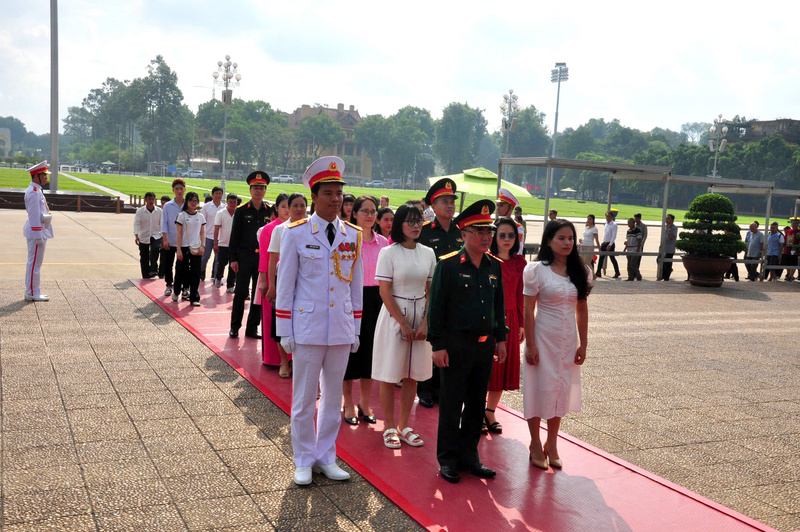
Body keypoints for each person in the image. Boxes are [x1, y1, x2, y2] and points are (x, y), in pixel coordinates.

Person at [275, 156, 362, 486]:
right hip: (308, 328)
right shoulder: (295, 233)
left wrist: (354, 328)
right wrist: (284, 330)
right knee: (303, 400)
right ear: (314, 196)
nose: (336, 199)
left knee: (332, 400)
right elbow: (286, 286)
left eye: (339, 193)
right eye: (328, 193)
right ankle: (303, 459)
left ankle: (326, 456)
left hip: (339, 328)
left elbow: (355, 287)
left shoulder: (351, 234)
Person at [428, 199, 507, 484]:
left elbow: (498, 306)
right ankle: (448, 459)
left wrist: (501, 338)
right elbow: (436, 308)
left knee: (476, 403)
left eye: (489, 231)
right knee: (451, 404)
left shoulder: (493, 267)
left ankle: (469, 456)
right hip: (456, 345)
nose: (486, 237)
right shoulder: (448, 266)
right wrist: (437, 345)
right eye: (479, 231)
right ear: (464, 234)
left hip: (484, 346)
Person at [523, 219, 592, 471]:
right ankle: (534, 442)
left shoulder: (580, 270)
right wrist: (530, 344)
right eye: (561, 238)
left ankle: (552, 444)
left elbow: (581, 310)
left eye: (571, 238)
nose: (567, 243)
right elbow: (528, 309)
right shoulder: (536, 270)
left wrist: (583, 343)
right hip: (542, 337)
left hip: (567, 341)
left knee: (560, 389)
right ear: (549, 241)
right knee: (537, 388)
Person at [372, 204, 435, 449]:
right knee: (390, 373)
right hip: (393, 316)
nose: (416, 225)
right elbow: (385, 291)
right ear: (399, 225)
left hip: (420, 314)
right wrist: (402, 323)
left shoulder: (428, 253)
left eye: (418, 220)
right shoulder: (388, 253)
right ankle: (388, 426)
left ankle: (404, 425)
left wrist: (425, 323)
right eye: (410, 221)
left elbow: (431, 291)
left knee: (413, 375)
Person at [342, 195, 388, 426]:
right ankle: (348, 401)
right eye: (365, 211)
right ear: (354, 213)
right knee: (350, 352)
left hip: (376, 300)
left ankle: (365, 402)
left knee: (371, 352)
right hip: (351, 298)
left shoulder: (384, 243)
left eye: (373, 211)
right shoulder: (346, 240)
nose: (370, 215)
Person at [417, 178, 463, 409]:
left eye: (452, 201)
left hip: (456, 297)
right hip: (430, 295)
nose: (450, 206)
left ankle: (443, 389)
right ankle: (425, 389)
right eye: (444, 201)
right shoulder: (424, 233)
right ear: (432, 207)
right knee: (430, 343)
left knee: (451, 344)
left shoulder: (461, 232)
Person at [483, 217, 526, 435]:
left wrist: (522, 323)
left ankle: (490, 411)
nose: (507, 239)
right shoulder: (485, 259)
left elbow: (521, 295)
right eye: (502, 235)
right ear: (494, 237)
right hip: (488, 319)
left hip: (511, 319)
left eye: (511, 235)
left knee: (502, 367)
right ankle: (475, 410)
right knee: (485, 367)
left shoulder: (520, 263)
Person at [263, 192, 308, 375]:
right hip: (283, 283)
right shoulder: (280, 230)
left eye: (302, 205)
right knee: (281, 323)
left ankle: (299, 363)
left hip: (305, 286)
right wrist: (272, 285)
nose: (299, 209)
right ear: (287, 209)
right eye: (295, 205)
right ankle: (284, 362)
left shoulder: (312, 229)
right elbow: (272, 259)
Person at [228, 171, 271, 339]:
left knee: (258, 295)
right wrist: (233, 259)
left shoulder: (270, 210)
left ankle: (252, 327)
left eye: (262, 188)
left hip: (262, 259)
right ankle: (234, 326)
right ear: (250, 190)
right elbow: (234, 237)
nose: (258, 191)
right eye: (255, 188)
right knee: (240, 292)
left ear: (265, 190)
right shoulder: (241, 211)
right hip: (244, 258)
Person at [257, 193, 290, 369]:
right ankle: (273, 358)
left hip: (292, 280)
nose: (286, 210)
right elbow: (265, 257)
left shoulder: (299, 226)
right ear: (276, 208)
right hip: (273, 279)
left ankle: (290, 359)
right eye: (283, 206)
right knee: (273, 321)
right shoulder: (269, 229)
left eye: (288, 206)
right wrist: (264, 282)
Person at [23, 162, 53, 301]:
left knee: (35, 263)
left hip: (39, 230)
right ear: (37, 176)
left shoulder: (36, 190)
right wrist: (38, 235)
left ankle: (34, 290)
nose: (46, 178)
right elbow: (34, 216)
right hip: (37, 232)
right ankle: (32, 292)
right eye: (44, 175)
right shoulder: (34, 193)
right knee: (34, 263)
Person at [173, 191, 206, 306]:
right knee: (181, 271)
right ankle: (176, 291)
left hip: (196, 248)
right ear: (186, 201)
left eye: (196, 201)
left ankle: (194, 297)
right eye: (191, 200)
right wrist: (178, 250)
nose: (193, 203)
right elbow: (178, 234)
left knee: (196, 273)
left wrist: (203, 245)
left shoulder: (200, 216)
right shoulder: (181, 215)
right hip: (184, 247)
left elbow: (202, 233)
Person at [161, 179, 186, 298]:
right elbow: (164, 223)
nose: (179, 191)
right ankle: (169, 285)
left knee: (182, 265)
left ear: (185, 189)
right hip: (171, 239)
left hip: (185, 241)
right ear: (173, 190)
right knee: (168, 264)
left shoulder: (188, 205)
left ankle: (181, 286)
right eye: (177, 189)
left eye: (181, 188)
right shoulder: (168, 206)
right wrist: (165, 238)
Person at [134, 192, 162, 279]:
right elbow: (137, 223)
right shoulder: (140, 211)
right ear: (145, 199)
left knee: (155, 249)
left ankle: (154, 268)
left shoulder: (160, 211)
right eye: (149, 199)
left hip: (156, 235)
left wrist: (163, 236)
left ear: (155, 200)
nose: (151, 201)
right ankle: (145, 275)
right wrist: (136, 234)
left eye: (152, 199)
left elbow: (162, 224)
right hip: (144, 236)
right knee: (144, 256)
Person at [213, 193, 238, 291]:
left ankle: (230, 284)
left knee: (234, 264)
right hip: (223, 243)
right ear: (227, 202)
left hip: (235, 245)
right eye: (230, 202)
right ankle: (218, 277)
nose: (232, 204)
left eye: (234, 202)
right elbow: (216, 229)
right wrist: (216, 243)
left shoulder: (238, 213)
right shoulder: (221, 213)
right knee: (222, 263)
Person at [200, 186, 224, 282]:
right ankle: (201, 271)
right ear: (213, 194)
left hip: (220, 237)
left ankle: (215, 276)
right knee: (205, 256)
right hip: (208, 236)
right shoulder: (206, 207)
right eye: (216, 193)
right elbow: (202, 222)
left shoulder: (224, 208)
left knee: (218, 259)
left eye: (220, 193)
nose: (218, 195)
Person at [495, 188, 525, 256]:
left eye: (501, 205)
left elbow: (518, 252)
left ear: (510, 208)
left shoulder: (518, 228)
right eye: (497, 205)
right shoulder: (495, 224)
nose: (498, 208)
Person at [596, 211, 620, 279]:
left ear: (612, 217)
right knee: (601, 257)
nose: (608, 218)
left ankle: (617, 272)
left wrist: (610, 245)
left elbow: (614, 236)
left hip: (610, 244)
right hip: (604, 243)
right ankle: (598, 272)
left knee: (612, 258)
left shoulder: (614, 225)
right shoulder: (606, 224)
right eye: (607, 216)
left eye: (609, 216)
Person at [660, 214, 679, 281]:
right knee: (659, 260)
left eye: (668, 219)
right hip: (664, 247)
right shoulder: (664, 227)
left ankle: (666, 277)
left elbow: (672, 237)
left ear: (672, 220)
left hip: (670, 248)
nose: (667, 220)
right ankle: (663, 274)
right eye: (666, 219)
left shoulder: (674, 228)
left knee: (667, 262)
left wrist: (669, 229)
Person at [157, 195, 171, 279]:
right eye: (162, 203)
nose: (163, 205)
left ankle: (162, 273)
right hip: (157, 236)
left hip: (167, 237)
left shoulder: (169, 212)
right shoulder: (157, 212)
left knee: (165, 256)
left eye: (165, 204)